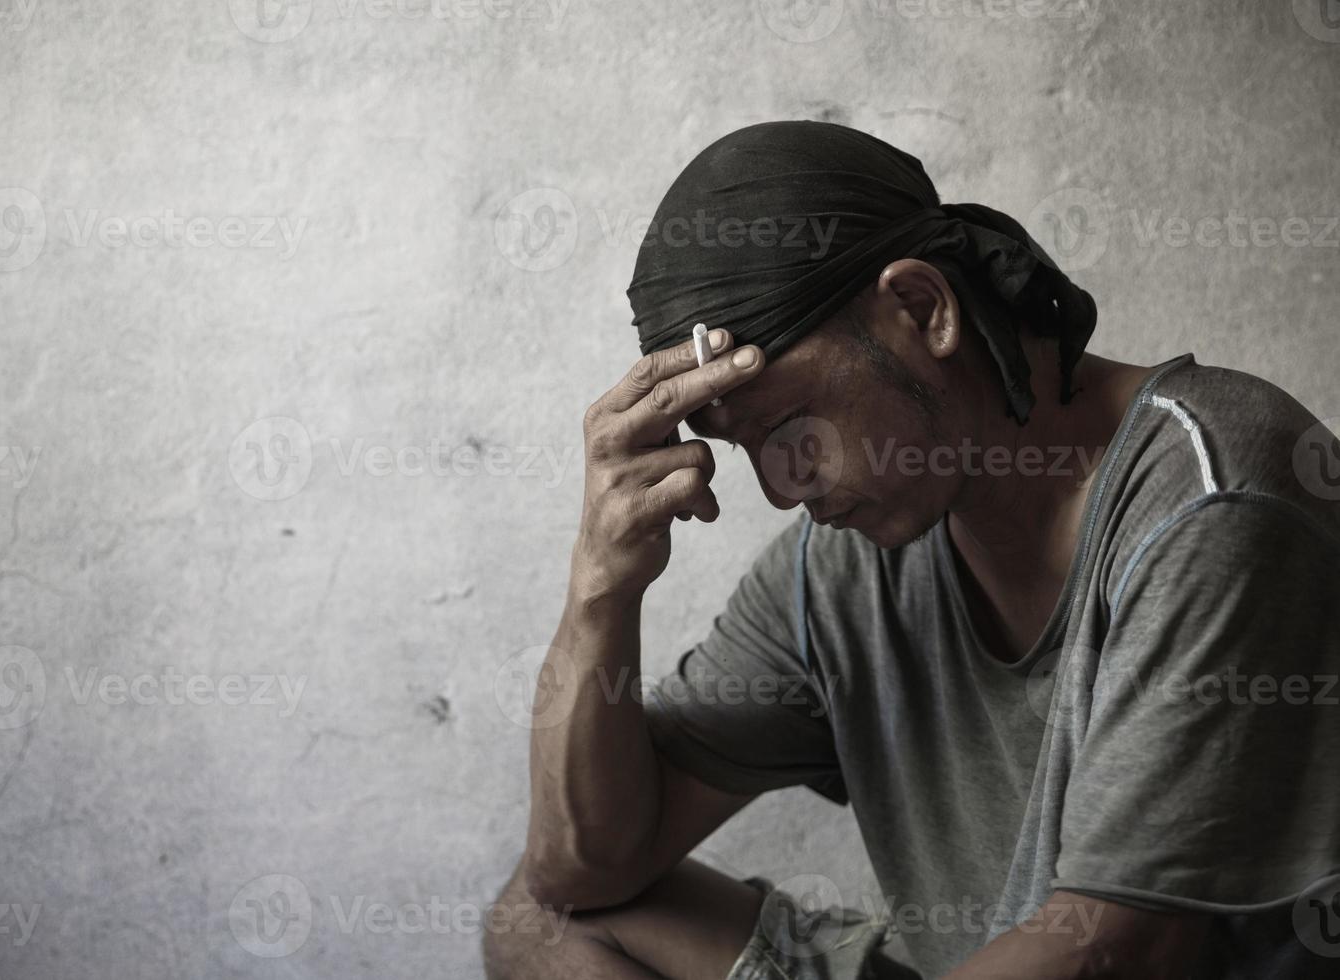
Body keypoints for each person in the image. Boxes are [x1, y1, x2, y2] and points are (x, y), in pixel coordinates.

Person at [484, 121, 1340, 979]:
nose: (782, 489)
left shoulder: (1211, 497)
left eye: (791, 427)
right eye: (747, 451)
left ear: (924, 310)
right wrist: (602, 585)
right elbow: (577, 871)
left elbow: (1117, 953)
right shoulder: (841, 567)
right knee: (535, 927)